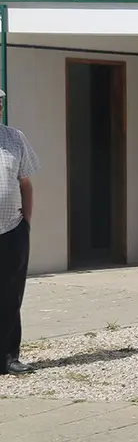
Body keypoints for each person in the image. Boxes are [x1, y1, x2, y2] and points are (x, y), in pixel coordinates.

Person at [0, 89, 39, 376]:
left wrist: (26, 223)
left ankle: (9, 357)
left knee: (11, 295)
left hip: (12, 229)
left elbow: (25, 183)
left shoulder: (15, 138)